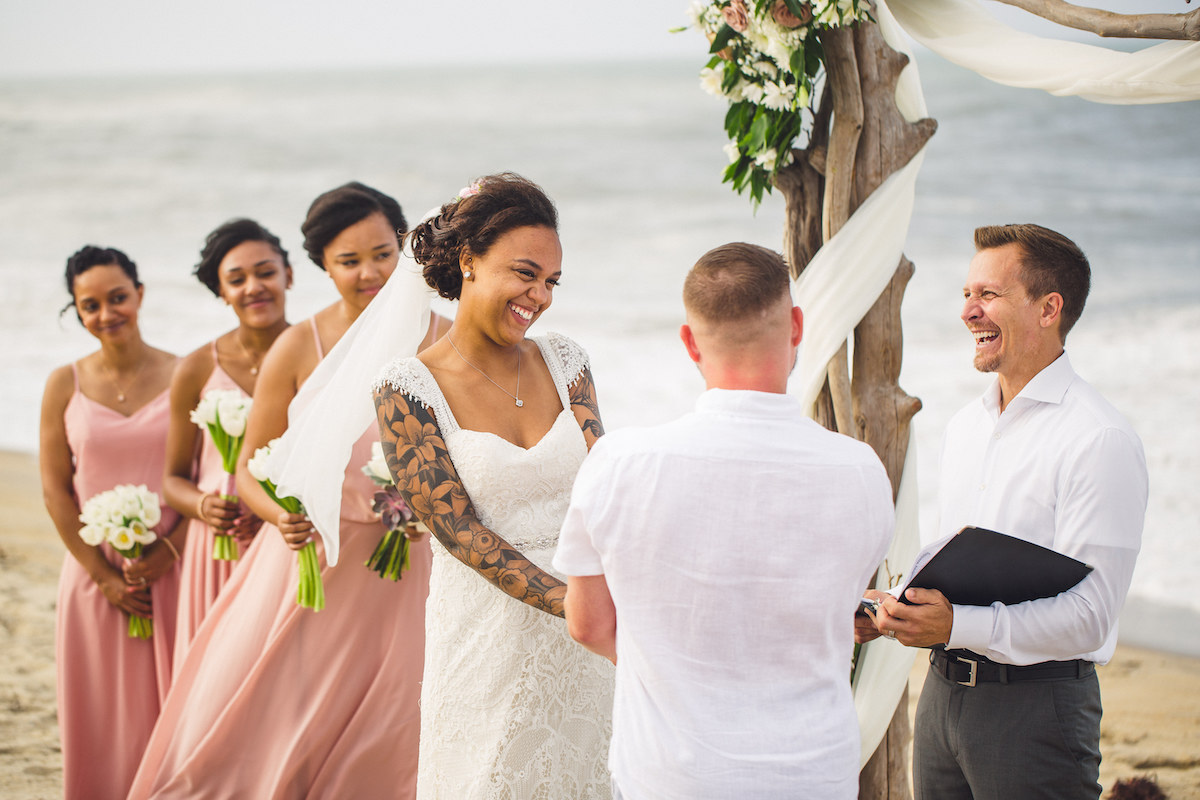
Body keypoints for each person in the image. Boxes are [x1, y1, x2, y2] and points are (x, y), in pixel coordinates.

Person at [129, 182, 445, 799]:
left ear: (406, 248)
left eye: (383, 253)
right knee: (267, 714)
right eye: (348, 262)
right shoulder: (301, 345)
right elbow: (247, 468)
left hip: (409, 570)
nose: (370, 273)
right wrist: (279, 516)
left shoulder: (445, 337)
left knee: (397, 719)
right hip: (312, 560)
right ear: (322, 268)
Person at [553, 242, 895, 800]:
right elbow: (841, 604)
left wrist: (671, 666)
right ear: (797, 328)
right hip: (812, 773)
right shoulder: (859, 469)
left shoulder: (618, 463)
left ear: (689, 342)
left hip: (669, 775)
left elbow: (588, 624)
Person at [858, 224, 1148, 800]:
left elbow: (1091, 616)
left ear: (1049, 309)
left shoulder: (1100, 438)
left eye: (987, 295)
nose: (969, 312)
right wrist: (897, 608)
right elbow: (959, 561)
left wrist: (957, 625)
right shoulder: (967, 426)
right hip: (940, 700)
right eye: (967, 295)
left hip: (1036, 712)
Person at [372, 172, 615, 798]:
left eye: (552, 281)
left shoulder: (567, 362)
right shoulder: (408, 389)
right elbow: (461, 534)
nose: (541, 296)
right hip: (490, 637)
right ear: (468, 260)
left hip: (590, 635)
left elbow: (608, 488)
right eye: (525, 272)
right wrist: (577, 606)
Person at [38, 245, 183, 800]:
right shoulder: (62, 384)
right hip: (93, 577)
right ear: (77, 312)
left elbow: (204, 476)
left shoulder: (184, 372)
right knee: (98, 715)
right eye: (90, 306)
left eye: (117, 298)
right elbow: (55, 489)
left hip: (172, 570)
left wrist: (166, 554)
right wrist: (102, 576)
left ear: (140, 294)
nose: (107, 314)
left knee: (172, 707)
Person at [162, 218, 291, 667]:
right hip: (215, 548)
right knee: (211, 672)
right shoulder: (196, 368)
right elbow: (172, 480)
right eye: (236, 280)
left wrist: (277, 511)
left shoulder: (318, 357)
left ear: (288, 275)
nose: (253, 287)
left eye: (265, 272)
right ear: (221, 292)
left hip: (285, 539)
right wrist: (203, 506)